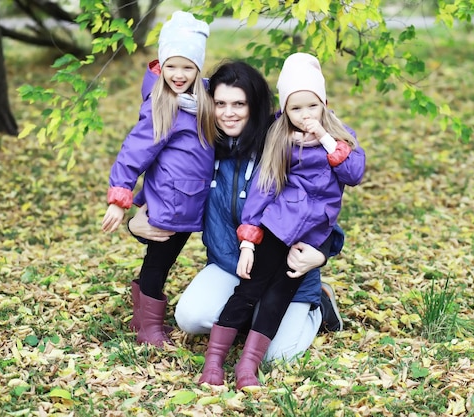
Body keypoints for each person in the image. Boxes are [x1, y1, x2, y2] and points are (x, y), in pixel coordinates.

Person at [127, 60, 345, 361]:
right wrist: (135, 218)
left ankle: (318, 306)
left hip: (287, 270)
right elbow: (170, 187)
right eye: (220, 103)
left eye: (239, 104)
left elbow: (319, 205)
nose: (228, 113)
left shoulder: (283, 144)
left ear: (254, 105)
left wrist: (321, 251)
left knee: (277, 357)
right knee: (190, 317)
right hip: (230, 265)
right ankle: (252, 313)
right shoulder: (205, 147)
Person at [199, 52, 366, 390]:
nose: (304, 115)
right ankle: (213, 361)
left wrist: (324, 137)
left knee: (276, 300)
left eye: (312, 106)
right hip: (277, 228)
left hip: (309, 239)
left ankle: (248, 365)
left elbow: (354, 173)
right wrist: (248, 240)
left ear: (324, 104)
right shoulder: (280, 138)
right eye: (295, 108)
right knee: (250, 291)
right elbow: (263, 189)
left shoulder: (339, 138)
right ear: (285, 110)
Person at [101, 11, 215, 347]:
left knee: (163, 255)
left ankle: (143, 316)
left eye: (188, 67)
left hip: (191, 195)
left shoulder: (201, 98)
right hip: (171, 197)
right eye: (172, 66)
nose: (179, 75)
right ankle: (147, 327)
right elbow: (134, 150)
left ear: (198, 69)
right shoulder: (162, 104)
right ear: (161, 65)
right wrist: (120, 198)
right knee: (160, 258)